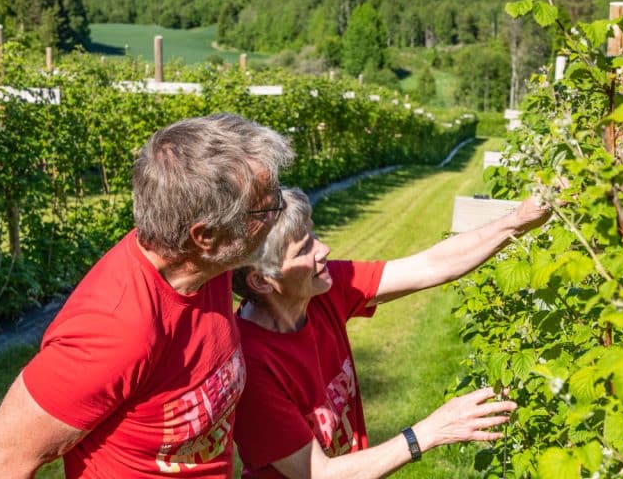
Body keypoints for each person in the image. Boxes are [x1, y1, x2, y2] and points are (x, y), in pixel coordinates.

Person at [0, 114, 294, 479]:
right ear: (205, 236)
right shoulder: (115, 331)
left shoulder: (209, 268)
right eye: (267, 208)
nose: (278, 215)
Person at [233, 188, 549, 478]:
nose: (324, 249)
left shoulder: (321, 293)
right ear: (261, 281)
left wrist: (518, 221)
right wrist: (431, 431)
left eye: (313, 235)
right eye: (304, 249)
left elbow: (431, 265)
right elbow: (320, 474)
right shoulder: (250, 366)